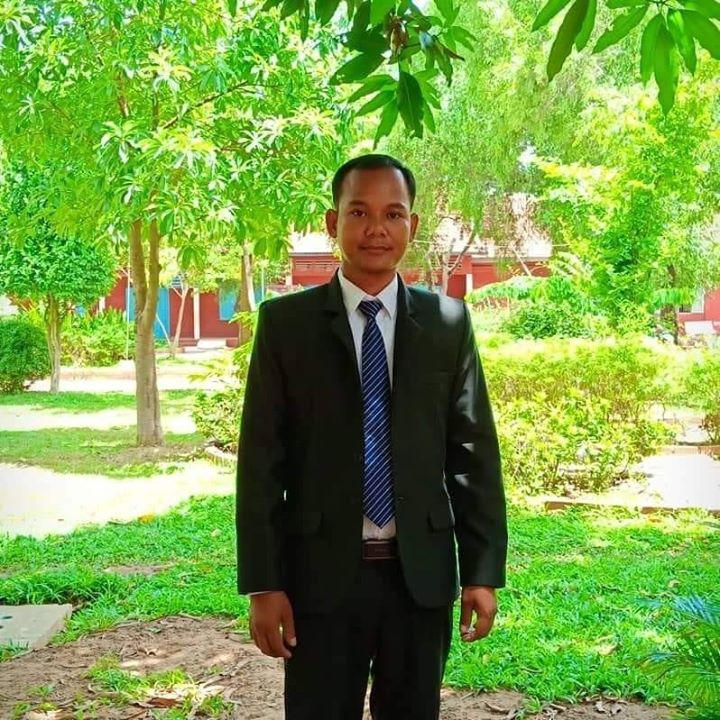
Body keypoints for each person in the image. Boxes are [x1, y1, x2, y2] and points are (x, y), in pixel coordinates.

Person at [236, 154, 507, 720]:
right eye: (359, 212)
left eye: (393, 214)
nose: (376, 229)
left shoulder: (447, 324)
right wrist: (263, 584)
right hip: (319, 579)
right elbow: (261, 464)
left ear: (412, 224)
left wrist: (482, 572)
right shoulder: (286, 326)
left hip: (419, 578)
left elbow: (473, 454)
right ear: (333, 223)